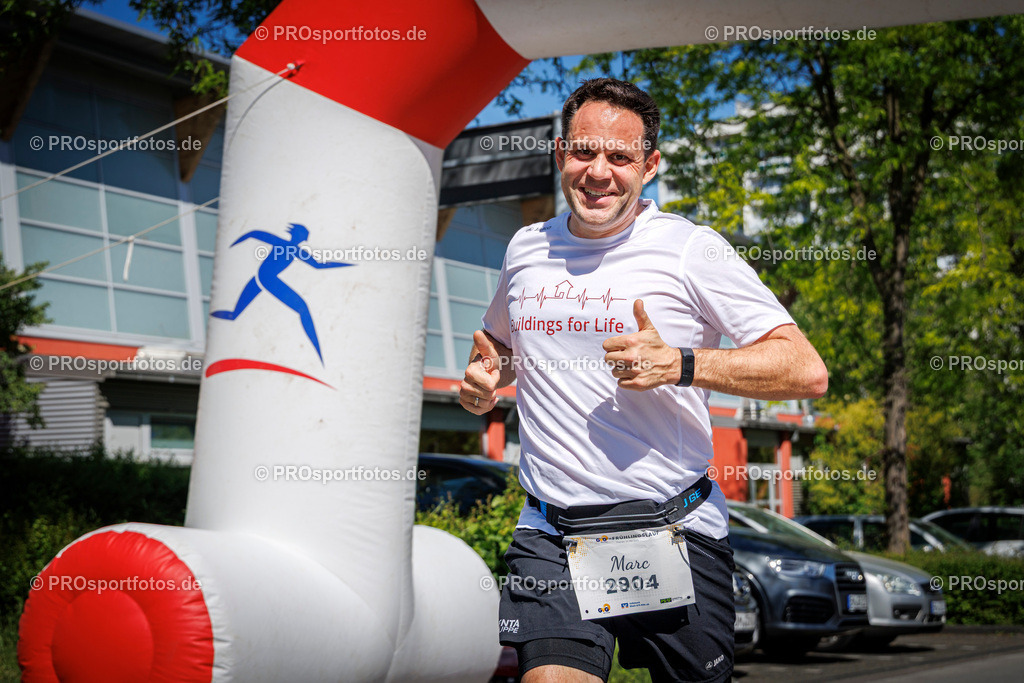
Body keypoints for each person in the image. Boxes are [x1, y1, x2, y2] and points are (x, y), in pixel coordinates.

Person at [460, 78, 827, 683]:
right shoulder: (527, 248)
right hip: (553, 533)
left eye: (620, 157)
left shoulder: (690, 250)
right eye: (584, 152)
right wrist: (486, 376)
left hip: (669, 530)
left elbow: (804, 369)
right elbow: (499, 345)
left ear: (650, 166)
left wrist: (681, 363)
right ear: (561, 153)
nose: (598, 172)